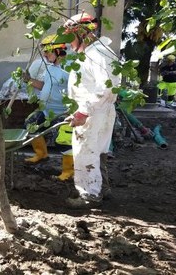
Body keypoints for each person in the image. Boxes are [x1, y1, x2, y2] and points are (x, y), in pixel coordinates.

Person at [62, 12, 122, 209]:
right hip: (98, 110)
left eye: (70, 37)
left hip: (94, 112)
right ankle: (102, 188)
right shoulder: (97, 52)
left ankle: (90, 195)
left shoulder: (97, 54)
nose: (69, 43)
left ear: (80, 32)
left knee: (85, 152)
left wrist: (84, 112)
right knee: (99, 150)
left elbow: (105, 87)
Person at [23, 34, 70, 164]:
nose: (44, 55)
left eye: (47, 52)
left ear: (58, 51)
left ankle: (68, 170)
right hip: (46, 110)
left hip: (63, 112)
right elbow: (44, 86)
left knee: (64, 140)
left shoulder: (70, 69)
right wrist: (28, 80)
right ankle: (41, 154)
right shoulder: (50, 67)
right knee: (30, 124)